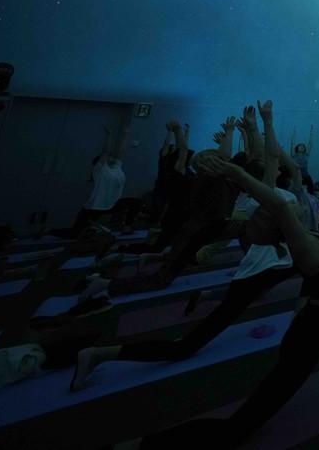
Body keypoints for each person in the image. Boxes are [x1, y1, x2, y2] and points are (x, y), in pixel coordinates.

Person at [128, 150, 319, 448]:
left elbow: (282, 183)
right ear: (282, 222)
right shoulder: (304, 247)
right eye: (277, 211)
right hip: (308, 338)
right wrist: (236, 173)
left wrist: (259, 136)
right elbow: (278, 205)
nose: (287, 203)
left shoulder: (312, 236)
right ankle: (137, 445)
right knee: (237, 429)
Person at [71, 101, 306, 390]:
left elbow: (260, 158)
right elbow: (265, 158)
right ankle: (106, 290)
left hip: (226, 233)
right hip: (202, 233)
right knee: (164, 280)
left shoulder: (237, 185)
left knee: (240, 266)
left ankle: (136, 280)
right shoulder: (234, 186)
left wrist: (248, 130)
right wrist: (258, 125)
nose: (221, 159)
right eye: (215, 159)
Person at [50, 122, 140, 239]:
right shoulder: (100, 169)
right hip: (95, 207)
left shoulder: (117, 167)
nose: (112, 157)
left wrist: (126, 134)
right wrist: (109, 136)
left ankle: (127, 227)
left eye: (112, 157)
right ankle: (48, 231)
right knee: (74, 234)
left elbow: (121, 151)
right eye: (109, 157)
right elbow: (106, 151)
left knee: (135, 203)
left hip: (112, 204)